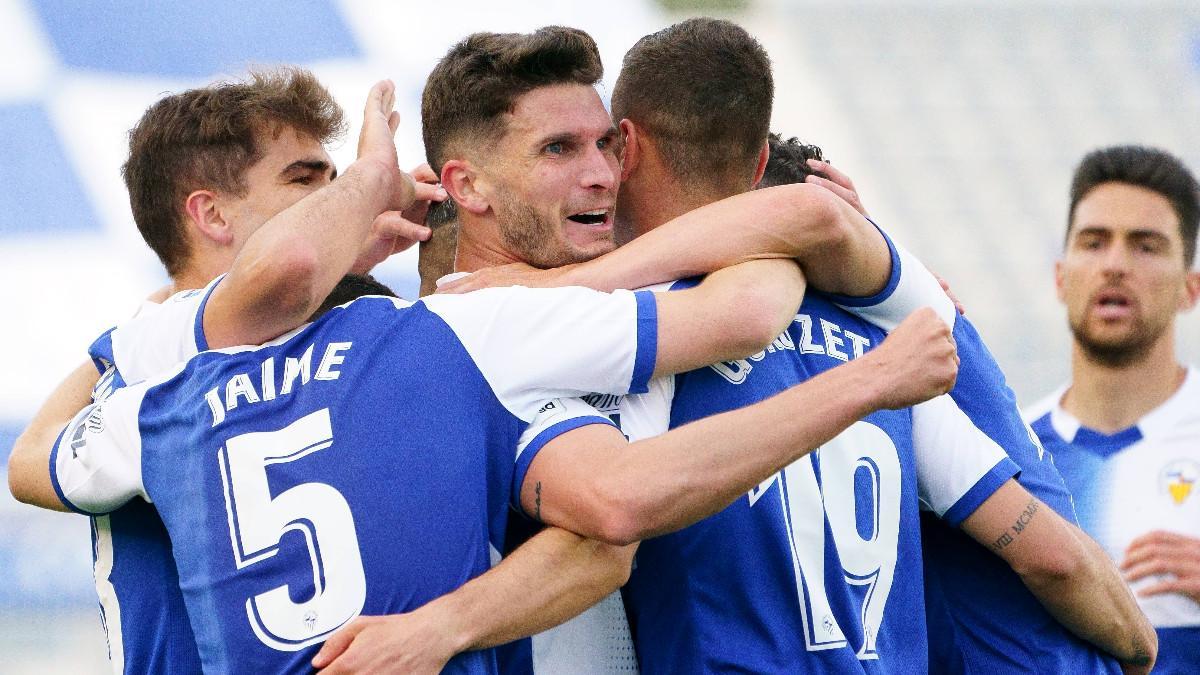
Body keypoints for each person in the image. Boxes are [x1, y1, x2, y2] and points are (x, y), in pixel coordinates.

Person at [439, 18, 1154, 674]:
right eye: (562, 149)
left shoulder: (645, 346)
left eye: (599, 146)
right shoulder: (888, 342)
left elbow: (612, 522)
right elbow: (1055, 554)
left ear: (630, 146)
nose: (593, 172)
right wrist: (1140, 645)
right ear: (754, 170)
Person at [7, 67, 433, 675]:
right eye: (305, 181)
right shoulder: (152, 370)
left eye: (338, 181)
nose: (342, 202)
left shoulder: (328, 335)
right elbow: (27, 465)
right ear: (211, 216)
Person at [1025, 144, 1200, 674]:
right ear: (1061, 276)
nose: (1115, 265)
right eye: (1094, 243)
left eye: (1145, 247)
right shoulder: (1013, 453)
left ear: (1190, 289)